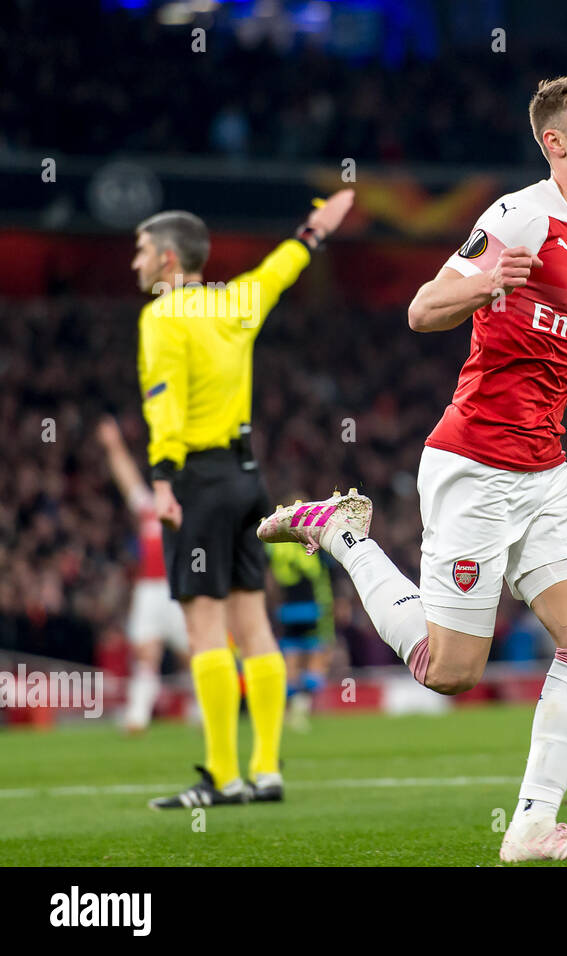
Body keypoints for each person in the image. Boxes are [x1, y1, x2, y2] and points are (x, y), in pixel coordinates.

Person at [260, 72, 567, 860]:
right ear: (555, 142)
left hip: (544, 469)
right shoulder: (519, 215)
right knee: (449, 672)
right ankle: (340, 534)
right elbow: (422, 308)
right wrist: (487, 283)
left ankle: (532, 826)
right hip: (473, 462)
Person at [133, 190, 354, 808]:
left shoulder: (162, 316)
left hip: (197, 481)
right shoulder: (234, 301)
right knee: (253, 624)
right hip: (247, 479)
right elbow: (279, 270)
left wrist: (161, 480)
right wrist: (312, 233)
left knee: (205, 628)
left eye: (142, 251)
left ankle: (223, 777)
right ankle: (267, 770)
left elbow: (163, 403)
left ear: (169, 259)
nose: (136, 262)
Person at [97, 416, 188, 732]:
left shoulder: (187, 511)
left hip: (180, 587)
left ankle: (203, 711)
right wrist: (113, 445)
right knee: (146, 653)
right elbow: (128, 481)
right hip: (149, 589)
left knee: (193, 652)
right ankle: (138, 715)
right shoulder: (149, 508)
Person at [265, 537, 336, 732]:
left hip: (286, 609)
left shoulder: (272, 541)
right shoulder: (313, 537)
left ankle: (286, 710)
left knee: (291, 662)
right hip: (312, 607)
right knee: (317, 660)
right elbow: (327, 573)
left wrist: (274, 607)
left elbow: (270, 580)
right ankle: (300, 708)